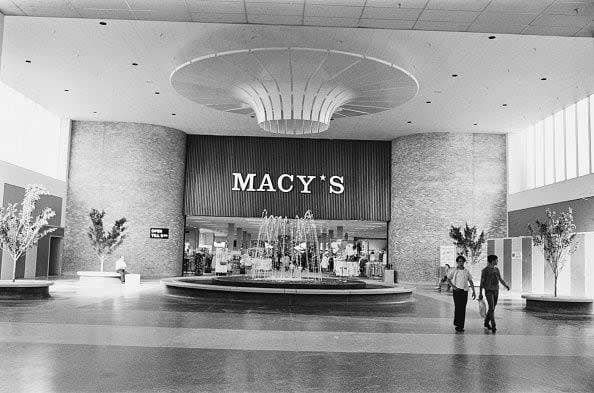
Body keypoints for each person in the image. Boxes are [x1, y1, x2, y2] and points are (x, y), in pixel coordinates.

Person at [479, 254, 510, 333]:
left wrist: (506, 285)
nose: (497, 261)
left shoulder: (496, 269)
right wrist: (480, 293)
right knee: (491, 308)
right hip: (488, 291)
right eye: (496, 260)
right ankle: (493, 325)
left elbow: (500, 279)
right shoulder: (485, 270)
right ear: (493, 261)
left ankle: (486, 322)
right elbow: (482, 282)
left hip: (496, 290)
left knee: (492, 308)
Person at [447, 255, 476, 332]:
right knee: (458, 307)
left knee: (463, 308)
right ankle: (457, 324)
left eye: (462, 261)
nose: (461, 263)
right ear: (457, 262)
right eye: (459, 261)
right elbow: (448, 279)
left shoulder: (466, 271)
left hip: (464, 291)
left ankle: (461, 325)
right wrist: (453, 287)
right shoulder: (454, 270)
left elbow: (470, 281)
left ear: (464, 262)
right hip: (457, 291)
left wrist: (474, 291)